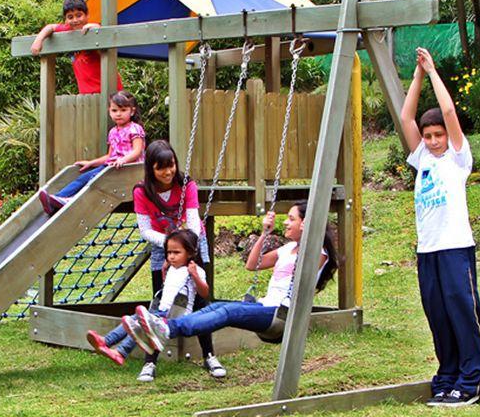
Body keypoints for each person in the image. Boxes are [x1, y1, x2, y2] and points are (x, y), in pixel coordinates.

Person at [127, 201, 338, 360]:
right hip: (266, 306)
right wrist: (265, 233)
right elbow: (252, 264)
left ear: (306, 222)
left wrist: (310, 233)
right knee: (215, 307)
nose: (286, 222)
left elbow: (305, 273)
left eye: (292, 219)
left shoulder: (318, 252)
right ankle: (164, 326)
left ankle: (167, 329)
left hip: (281, 315)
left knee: (228, 313)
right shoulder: (286, 249)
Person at [400, 47, 480, 407]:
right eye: (429, 135)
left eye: (438, 134)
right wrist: (417, 76)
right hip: (428, 250)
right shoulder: (421, 157)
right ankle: (449, 375)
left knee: (460, 309)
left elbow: (449, 111)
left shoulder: (457, 158)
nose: (434, 140)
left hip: (455, 247)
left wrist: (434, 72)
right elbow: (407, 117)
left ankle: (473, 380)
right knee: (437, 313)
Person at [131, 140, 225, 382]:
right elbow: (145, 230)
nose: (168, 172)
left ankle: (209, 355)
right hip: (162, 245)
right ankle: (150, 362)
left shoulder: (186, 185)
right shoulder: (142, 191)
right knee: (160, 304)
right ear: (150, 168)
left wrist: (184, 248)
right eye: (161, 167)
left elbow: (193, 222)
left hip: (192, 243)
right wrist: (171, 246)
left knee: (201, 302)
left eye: (171, 165)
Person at [86, 229, 209, 371]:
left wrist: (195, 276)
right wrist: (165, 272)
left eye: (176, 253)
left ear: (190, 253)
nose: (171, 257)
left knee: (142, 324)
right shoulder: (171, 268)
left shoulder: (195, 270)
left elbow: (204, 292)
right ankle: (106, 341)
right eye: (169, 253)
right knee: (133, 319)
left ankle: (120, 352)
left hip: (177, 316)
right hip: (162, 312)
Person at [39, 90, 145, 215]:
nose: (118, 114)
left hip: (128, 170)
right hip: (112, 168)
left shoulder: (134, 129)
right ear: (109, 111)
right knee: (83, 177)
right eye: (114, 110)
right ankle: (59, 198)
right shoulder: (113, 132)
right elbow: (109, 156)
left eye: (123, 110)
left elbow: (137, 151)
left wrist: (123, 160)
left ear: (132, 111)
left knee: (93, 180)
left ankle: (70, 199)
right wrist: (91, 163)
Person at [29, 0, 123, 94]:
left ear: (87, 15)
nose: (75, 20)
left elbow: (106, 47)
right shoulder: (68, 30)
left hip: (111, 93)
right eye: (70, 17)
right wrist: (38, 40)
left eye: (79, 15)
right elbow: (51, 27)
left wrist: (96, 28)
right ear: (65, 20)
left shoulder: (93, 29)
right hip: (87, 98)